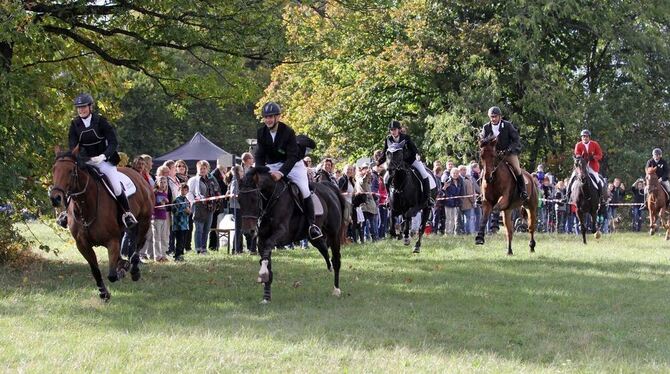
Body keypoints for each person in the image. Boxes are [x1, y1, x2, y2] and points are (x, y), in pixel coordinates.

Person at [61, 93, 137, 228]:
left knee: (116, 186)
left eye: (83, 107)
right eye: (79, 108)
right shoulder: (75, 124)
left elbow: (113, 142)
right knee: (72, 182)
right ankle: (64, 214)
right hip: (86, 162)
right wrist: (82, 159)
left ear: (90, 107)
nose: (81, 110)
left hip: (104, 161)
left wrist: (103, 156)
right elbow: (73, 146)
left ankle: (127, 213)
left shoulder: (100, 121)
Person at [254, 101, 322, 240]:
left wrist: (281, 173)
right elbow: (260, 155)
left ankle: (312, 225)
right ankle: (258, 222)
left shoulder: (288, 132)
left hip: (292, 165)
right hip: (272, 165)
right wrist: (259, 172)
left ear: (278, 117)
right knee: (259, 188)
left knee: (304, 190)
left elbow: (292, 157)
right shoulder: (261, 132)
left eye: (271, 117)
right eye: (266, 117)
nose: (268, 120)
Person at [377, 120, 435, 205]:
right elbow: (385, 152)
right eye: (391, 130)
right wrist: (378, 162)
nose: (393, 131)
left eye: (395, 129)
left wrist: (417, 155)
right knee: (386, 178)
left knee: (424, 174)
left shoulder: (406, 137)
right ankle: (389, 198)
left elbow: (413, 148)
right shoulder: (388, 139)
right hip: (395, 164)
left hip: (410, 160)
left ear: (399, 130)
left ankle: (428, 198)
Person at [479, 106, 528, 201]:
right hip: (494, 155)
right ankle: (481, 194)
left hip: (508, 153)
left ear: (500, 117)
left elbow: (516, 139)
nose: (493, 119)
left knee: (517, 169)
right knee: (484, 172)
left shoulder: (507, 125)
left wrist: (510, 149)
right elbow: (483, 141)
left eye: (495, 116)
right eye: (491, 117)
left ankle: (523, 191)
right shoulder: (486, 127)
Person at [567, 129, 606, 203]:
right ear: (582, 137)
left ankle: (601, 198)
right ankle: (567, 197)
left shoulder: (595, 144)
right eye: (583, 136)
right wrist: (581, 157)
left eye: (586, 136)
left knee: (598, 180)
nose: (585, 138)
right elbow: (577, 154)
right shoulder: (578, 145)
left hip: (592, 166)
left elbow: (600, 155)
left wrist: (593, 157)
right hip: (581, 167)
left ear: (589, 137)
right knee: (571, 179)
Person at [172, 183, 191, 261]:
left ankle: (181, 255)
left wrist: (189, 212)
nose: (183, 191)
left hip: (185, 225)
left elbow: (189, 212)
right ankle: (177, 255)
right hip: (178, 225)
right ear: (179, 190)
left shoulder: (187, 200)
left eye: (185, 190)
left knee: (183, 241)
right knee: (179, 241)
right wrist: (184, 211)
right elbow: (175, 212)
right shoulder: (176, 200)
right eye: (182, 190)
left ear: (187, 191)